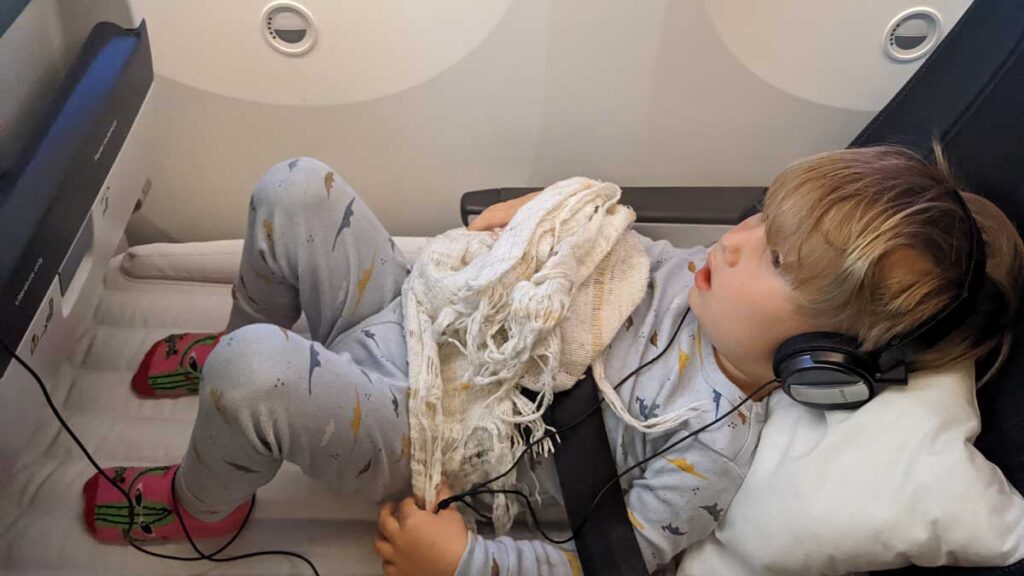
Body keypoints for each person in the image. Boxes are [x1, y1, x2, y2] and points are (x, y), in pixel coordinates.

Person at [81, 146, 1023, 576]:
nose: (732, 242)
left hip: (433, 429)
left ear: (819, 357)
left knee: (254, 374)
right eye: (761, 219)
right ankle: (258, 348)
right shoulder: (689, 273)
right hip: (421, 324)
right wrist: (535, 224)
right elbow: (598, 254)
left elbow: (599, 564)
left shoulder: (699, 451)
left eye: (773, 258)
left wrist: (460, 561)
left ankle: (207, 503)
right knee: (294, 187)